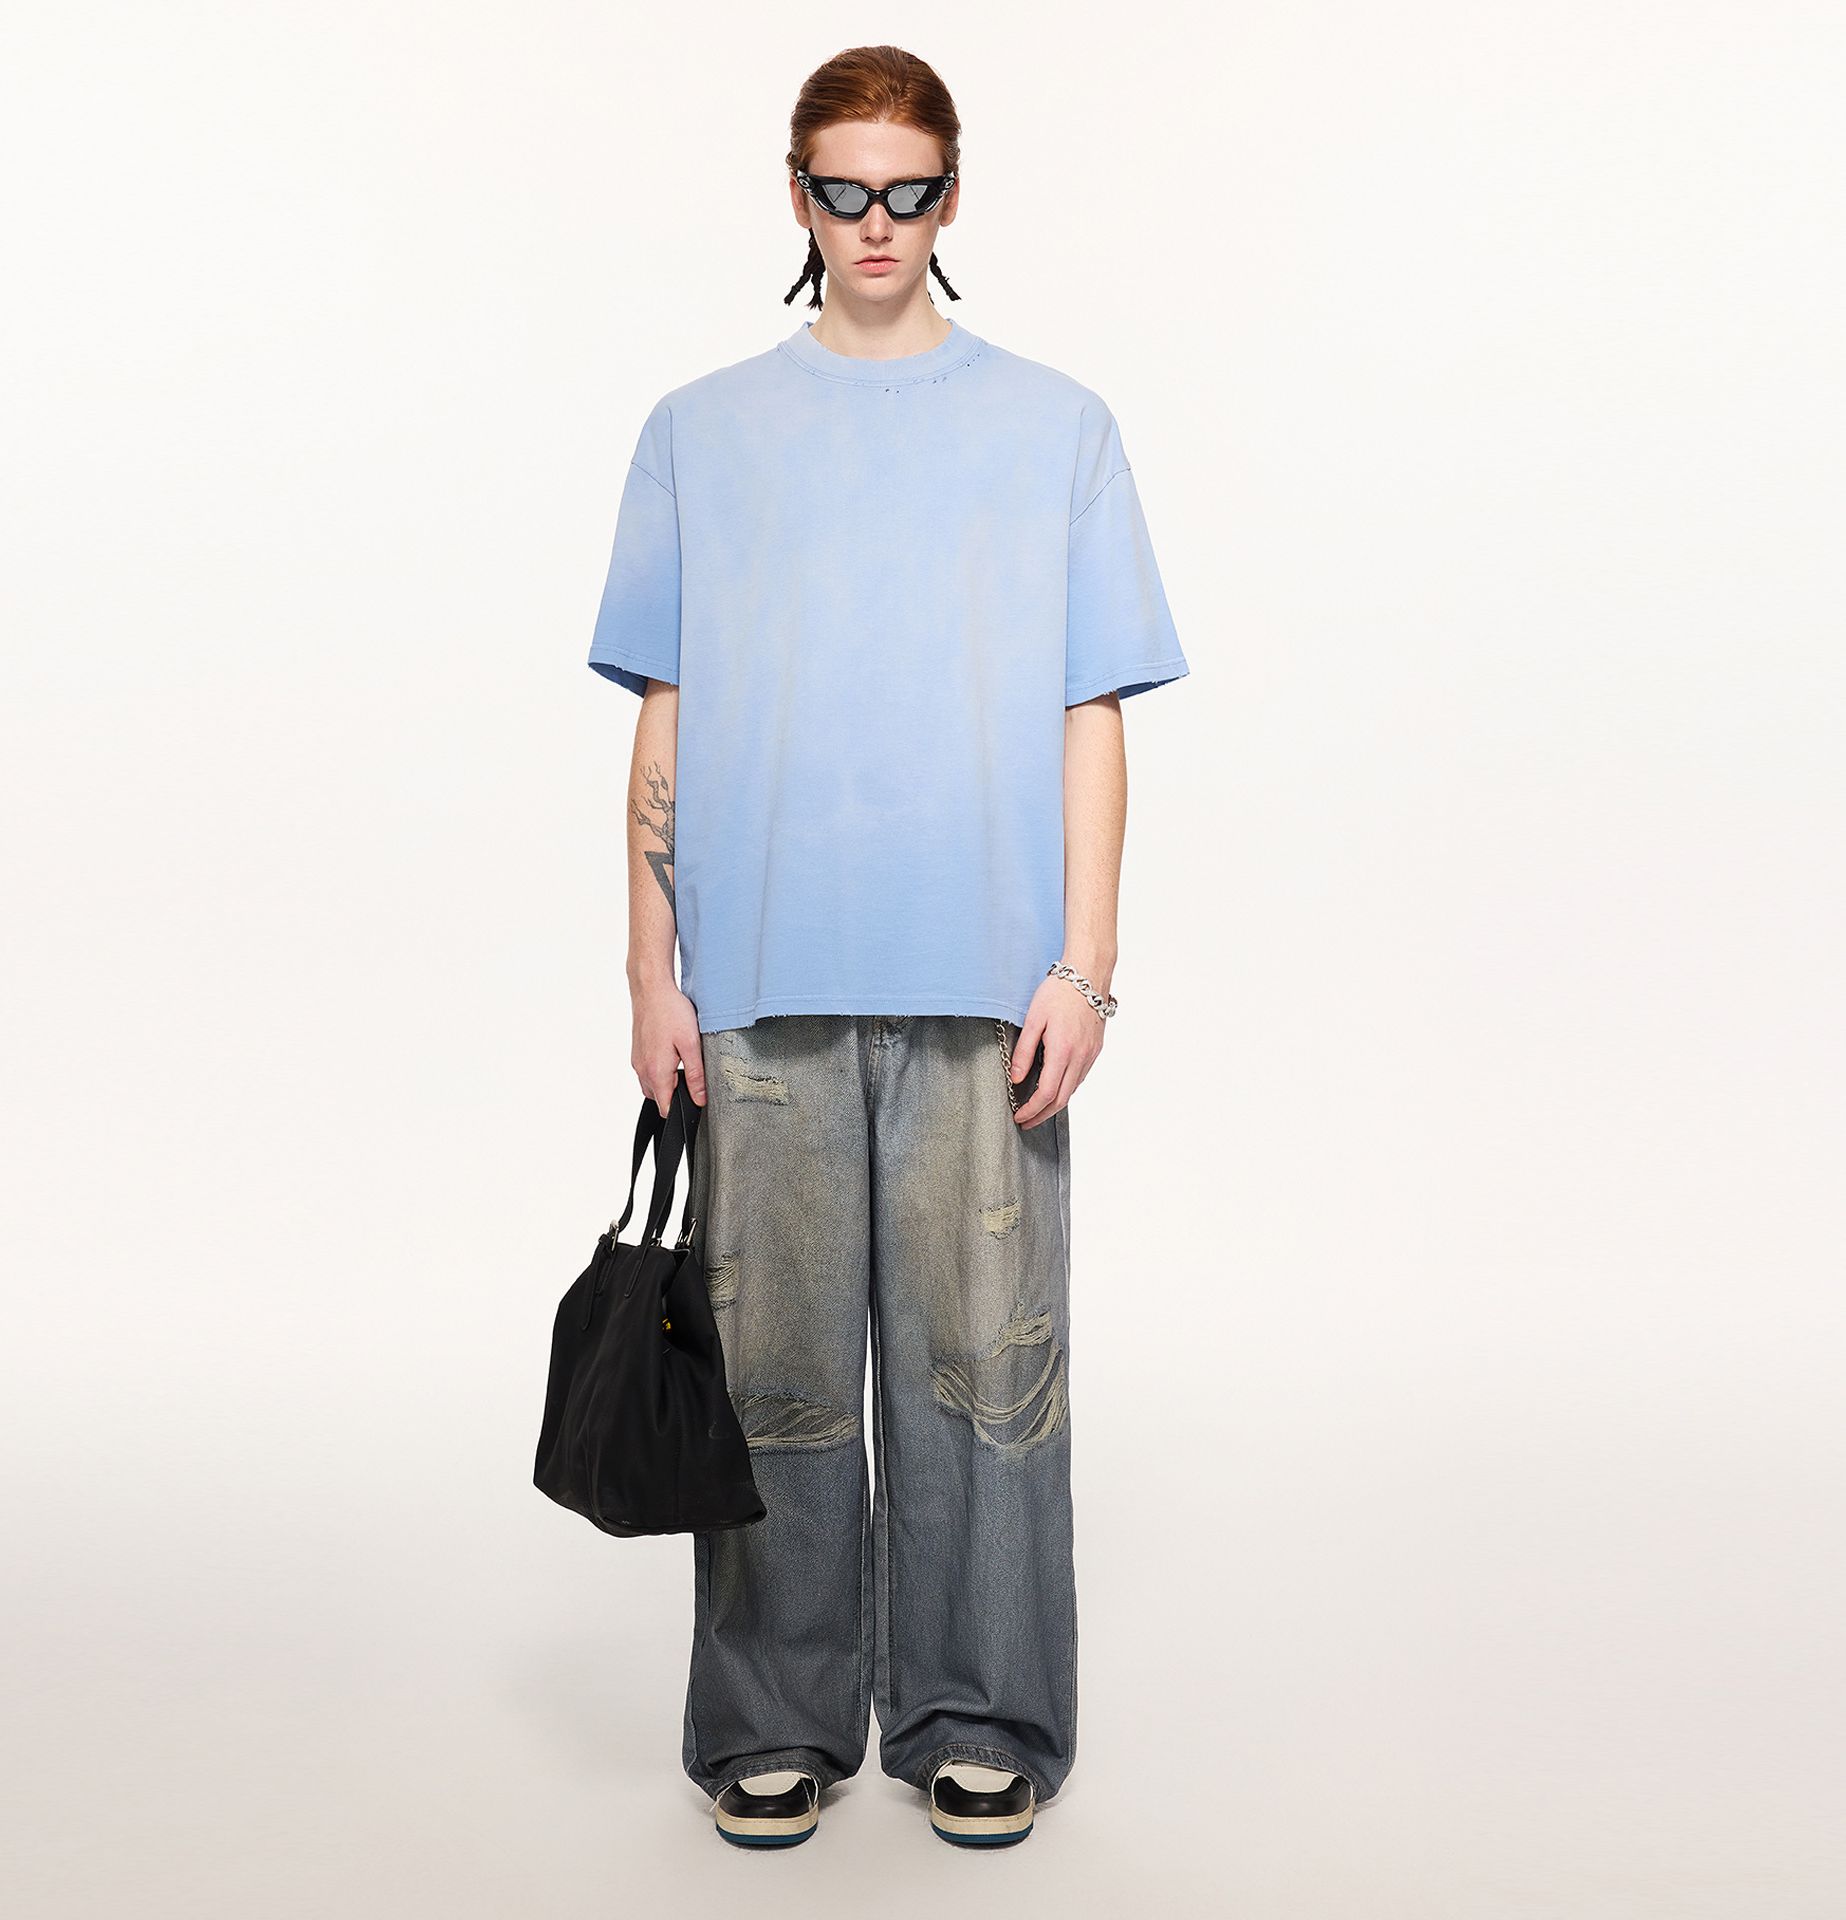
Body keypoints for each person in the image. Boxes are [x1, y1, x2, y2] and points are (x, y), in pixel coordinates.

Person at [585, 45, 1187, 1850]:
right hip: (759, 975)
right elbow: (665, 714)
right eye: (843, 190)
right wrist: (649, 967)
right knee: (771, 1378)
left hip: (984, 985)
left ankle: (979, 1709)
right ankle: (773, 1717)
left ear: (952, 195)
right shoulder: (698, 431)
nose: (875, 223)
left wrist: (1085, 964)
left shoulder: (1057, 428)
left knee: (987, 1374)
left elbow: (1093, 710)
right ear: (797, 196)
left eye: (907, 191)